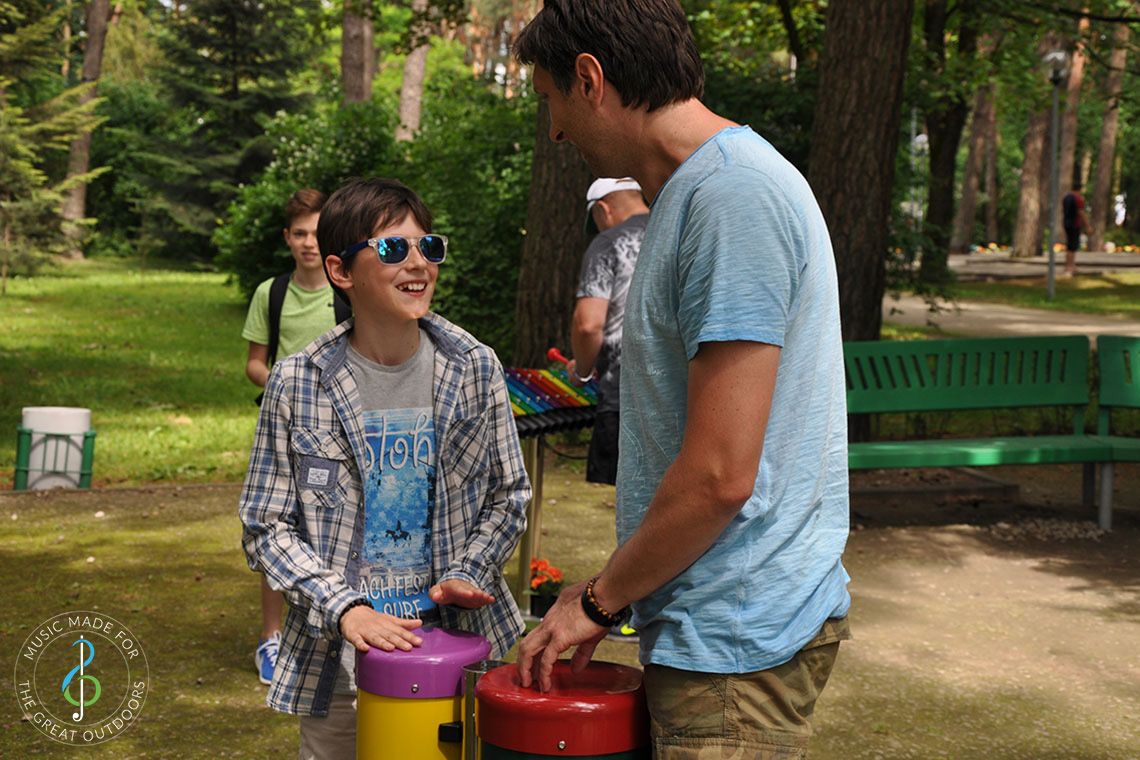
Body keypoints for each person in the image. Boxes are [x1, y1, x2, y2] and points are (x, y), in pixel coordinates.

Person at [513, 2, 852, 756]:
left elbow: (721, 476)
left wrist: (597, 603)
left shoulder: (732, 198)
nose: (556, 130)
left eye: (551, 101)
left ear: (590, 79)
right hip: (711, 622)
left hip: (733, 637)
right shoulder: (696, 192)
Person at [238, 177, 530, 759]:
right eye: (394, 249)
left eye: (430, 247)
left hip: (459, 652)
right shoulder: (298, 383)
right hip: (341, 663)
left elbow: (509, 494)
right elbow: (266, 525)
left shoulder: (473, 366)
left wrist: (470, 569)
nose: (418, 263)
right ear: (341, 272)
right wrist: (345, 608)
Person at [241, 188, 345, 686]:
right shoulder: (272, 293)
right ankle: (272, 637)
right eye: (300, 233)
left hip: (334, 432)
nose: (308, 243)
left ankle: (333, 623)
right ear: (287, 238)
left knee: (329, 525)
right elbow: (254, 362)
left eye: (317, 234)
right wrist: (286, 385)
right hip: (282, 428)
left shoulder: (344, 292)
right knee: (276, 527)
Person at [570, 177, 649, 487]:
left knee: (624, 513)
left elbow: (588, 325)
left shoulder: (608, 243)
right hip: (681, 396)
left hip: (623, 397)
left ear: (603, 209)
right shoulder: (677, 232)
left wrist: (583, 370)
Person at [1061, 183, 1090, 276]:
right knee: (1072, 246)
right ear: (1079, 190)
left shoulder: (1066, 198)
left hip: (1066, 223)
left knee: (1070, 245)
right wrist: (1088, 226)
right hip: (1074, 224)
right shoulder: (1077, 199)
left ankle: (1071, 266)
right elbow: (1081, 212)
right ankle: (1069, 268)